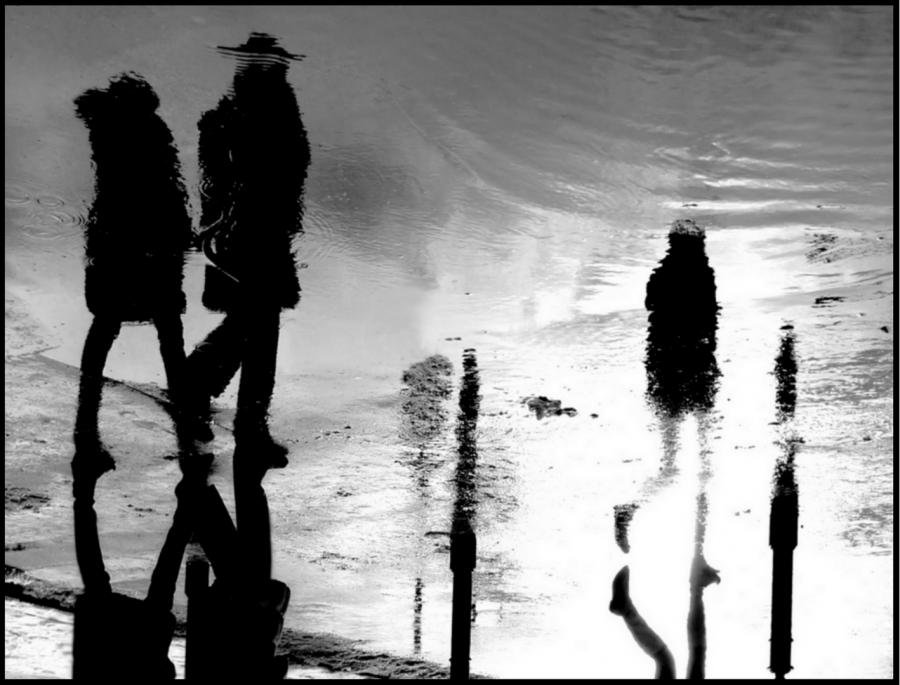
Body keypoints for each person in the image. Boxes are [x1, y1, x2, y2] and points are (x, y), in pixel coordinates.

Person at [185, 33, 310, 474]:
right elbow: (277, 169)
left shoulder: (242, 111)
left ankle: (201, 383)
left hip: (252, 231)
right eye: (277, 64)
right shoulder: (261, 110)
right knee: (261, 324)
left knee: (253, 320)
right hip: (254, 233)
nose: (283, 70)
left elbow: (283, 167)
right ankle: (247, 425)